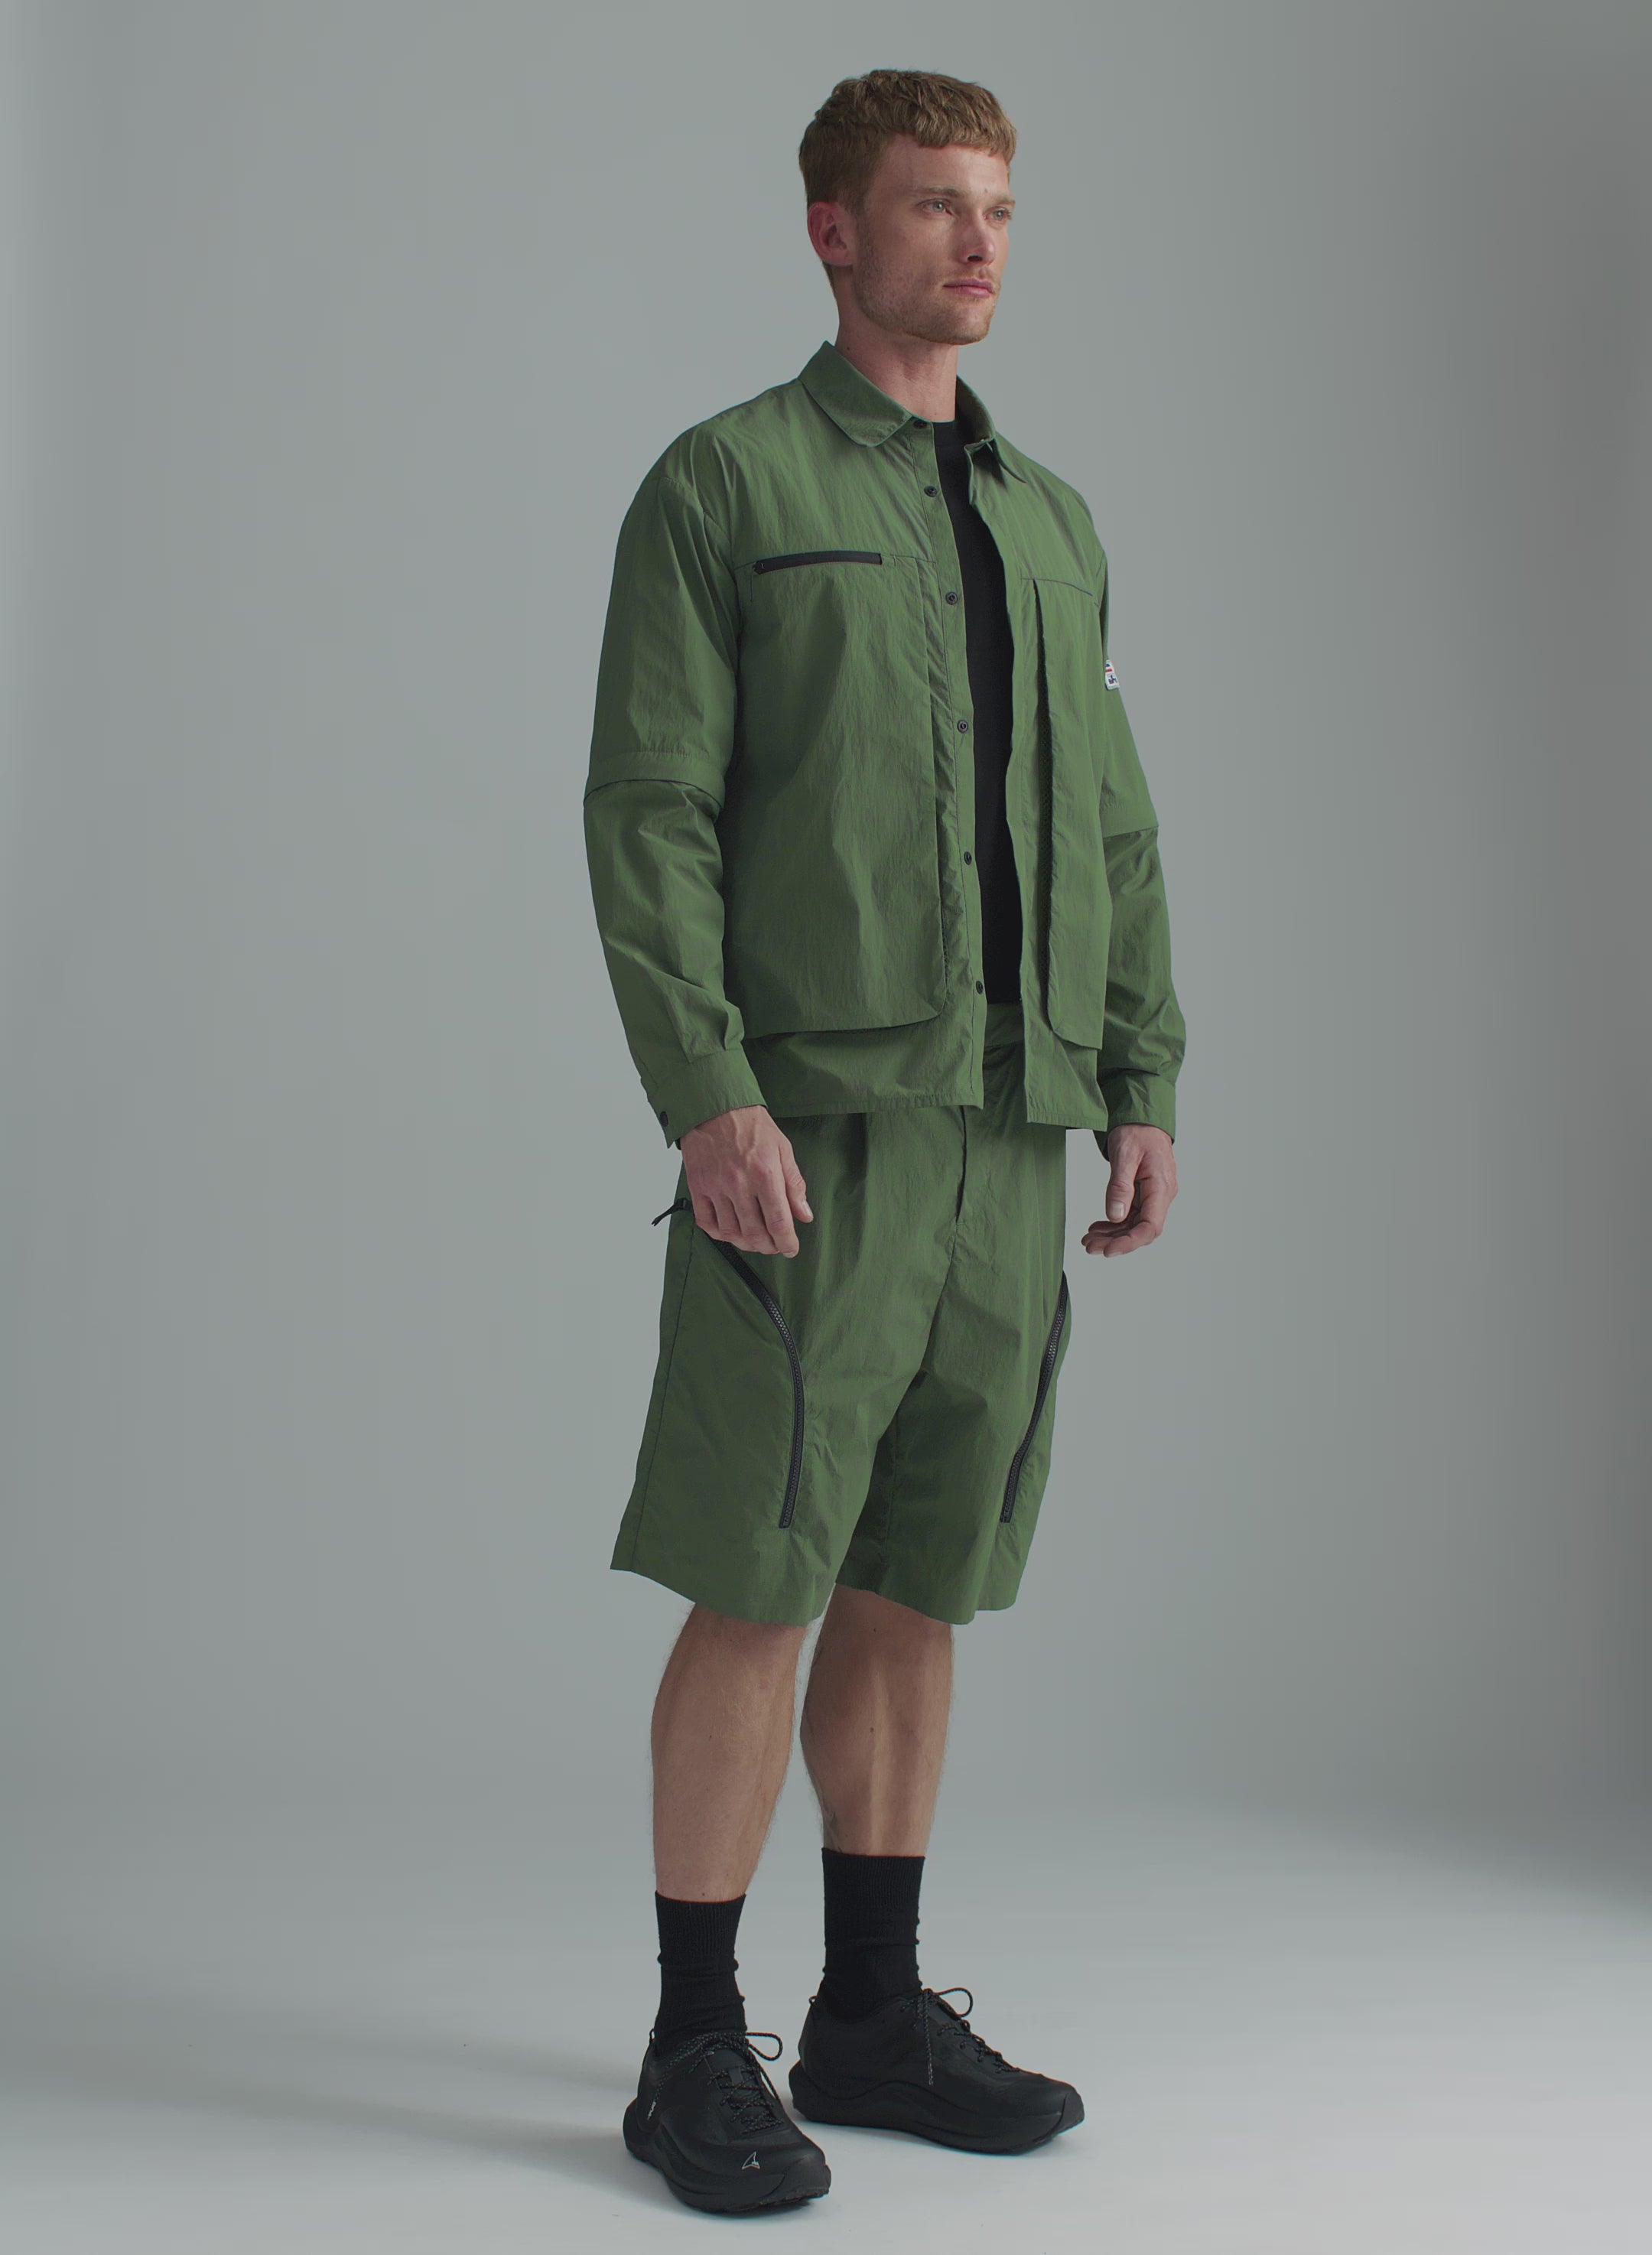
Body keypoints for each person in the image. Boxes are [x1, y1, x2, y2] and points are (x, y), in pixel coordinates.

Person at [583, 65, 1185, 2215]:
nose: (979, 241)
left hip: (1008, 1127)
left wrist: (1138, 1073)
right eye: (935, 204)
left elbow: (1114, 820)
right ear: (834, 229)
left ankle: (869, 2012)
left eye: (998, 205)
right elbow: (648, 808)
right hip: (813, 1124)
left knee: (921, 1578)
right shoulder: (724, 486)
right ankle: (689, 2044)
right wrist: (707, 1088)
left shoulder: (1053, 520)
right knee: (763, 1571)